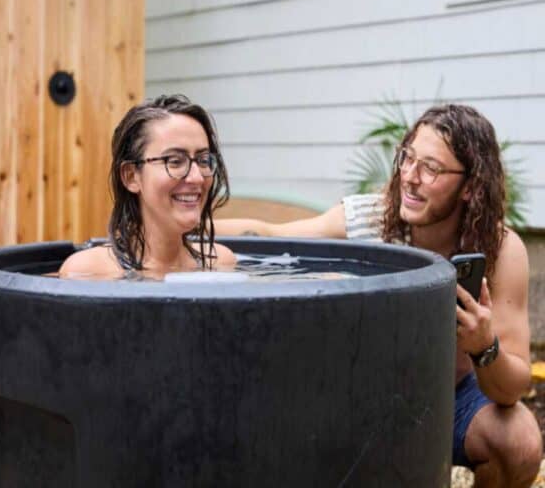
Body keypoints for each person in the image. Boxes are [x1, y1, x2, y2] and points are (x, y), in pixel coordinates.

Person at [216, 104, 543, 486]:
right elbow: (270, 236)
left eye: (431, 168)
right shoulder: (370, 219)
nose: (410, 177)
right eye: (407, 158)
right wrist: (185, 228)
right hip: (361, 396)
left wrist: (484, 346)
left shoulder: (499, 250)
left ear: (470, 186)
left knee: (518, 442)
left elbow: (514, 386)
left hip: (450, 397)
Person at [60, 94, 235, 279]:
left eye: (203, 160)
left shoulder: (220, 263)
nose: (197, 177)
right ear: (131, 176)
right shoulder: (88, 272)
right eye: (175, 161)